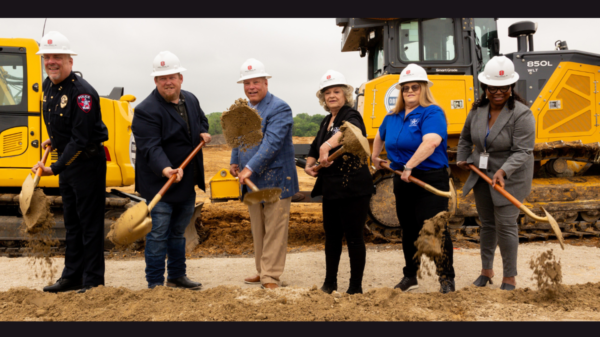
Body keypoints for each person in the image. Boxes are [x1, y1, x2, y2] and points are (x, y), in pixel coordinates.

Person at [371, 63, 456, 294]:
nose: (409, 91)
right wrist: (375, 156)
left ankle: (446, 278)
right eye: (405, 87)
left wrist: (410, 165)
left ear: (424, 89)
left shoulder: (432, 112)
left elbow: (431, 142)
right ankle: (411, 276)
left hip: (429, 179)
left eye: (414, 87)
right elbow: (379, 136)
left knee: (435, 229)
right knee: (408, 229)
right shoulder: (393, 116)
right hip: (403, 180)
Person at [33, 31, 108, 294]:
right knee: (72, 223)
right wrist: (54, 140)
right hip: (67, 159)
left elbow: (81, 138)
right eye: (47, 57)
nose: (51, 61)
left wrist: (54, 168)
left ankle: (93, 281)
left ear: (69, 61)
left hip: (86, 163)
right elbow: (60, 124)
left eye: (57, 57)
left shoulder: (83, 93)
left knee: (90, 224)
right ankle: (72, 276)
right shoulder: (48, 85)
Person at [132, 51, 211, 290]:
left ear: (180, 78)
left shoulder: (191, 99)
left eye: (172, 77)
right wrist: (166, 169)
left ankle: (177, 275)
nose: (168, 82)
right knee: (157, 236)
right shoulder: (145, 110)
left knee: (178, 232)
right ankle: (155, 283)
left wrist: (203, 133)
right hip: (160, 183)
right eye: (162, 78)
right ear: (155, 81)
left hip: (186, 182)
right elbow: (150, 147)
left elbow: (202, 121)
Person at [456, 56, 534, 291]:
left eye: (503, 87)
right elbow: (465, 138)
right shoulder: (478, 111)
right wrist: (462, 157)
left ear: (511, 88)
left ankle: (509, 276)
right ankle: (486, 270)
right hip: (482, 175)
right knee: (487, 224)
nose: (498, 91)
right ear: (485, 88)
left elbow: (523, 151)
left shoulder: (522, 114)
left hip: (510, 176)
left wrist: (503, 171)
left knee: (507, 225)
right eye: (493, 87)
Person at [230, 58, 299, 290]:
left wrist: (250, 167)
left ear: (265, 82)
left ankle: (271, 275)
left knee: (275, 229)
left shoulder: (279, 108)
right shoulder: (245, 109)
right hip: (251, 180)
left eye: (256, 82)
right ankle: (262, 271)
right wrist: (235, 162)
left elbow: (273, 143)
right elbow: (237, 138)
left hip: (276, 179)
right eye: (247, 83)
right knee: (258, 229)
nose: (251, 87)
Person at [304, 70, 374, 295]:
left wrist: (329, 145)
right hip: (332, 187)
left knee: (354, 237)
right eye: (327, 93)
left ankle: (355, 287)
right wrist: (310, 162)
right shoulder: (326, 120)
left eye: (336, 91)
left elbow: (351, 132)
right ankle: (330, 283)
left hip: (353, 186)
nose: (332, 96)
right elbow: (315, 146)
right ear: (323, 98)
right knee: (331, 236)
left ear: (345, 94)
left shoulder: (351, 115)